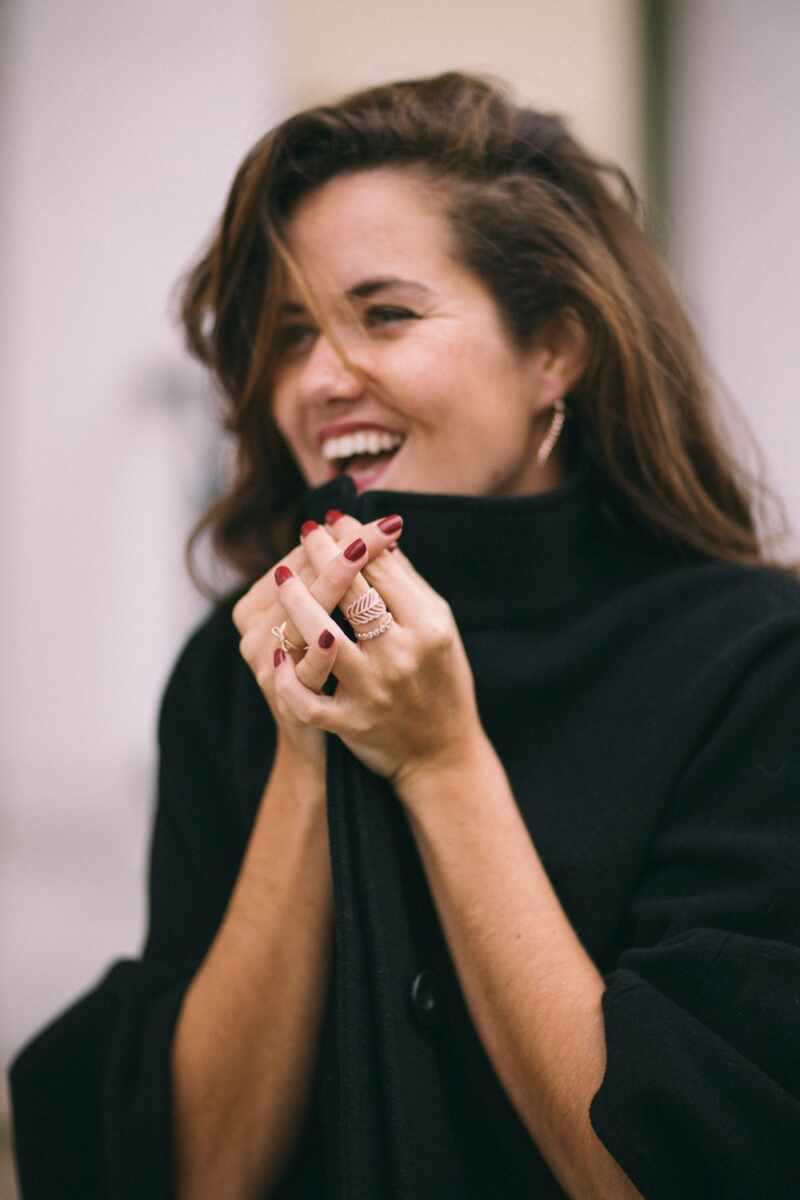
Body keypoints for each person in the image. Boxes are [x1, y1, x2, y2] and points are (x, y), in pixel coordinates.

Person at [9, 70, 800, 1200]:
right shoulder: (224, 679)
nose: (319, 381)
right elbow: (193, 1174)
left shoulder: (756, 664)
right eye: (287, 336)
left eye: (384, 314)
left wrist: (438, 758)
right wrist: (304, 736)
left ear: (554, 352)